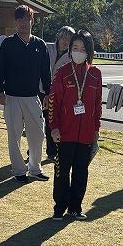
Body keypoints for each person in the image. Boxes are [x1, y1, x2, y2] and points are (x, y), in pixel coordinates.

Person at [47, 30, 103, 220]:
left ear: (89, 51)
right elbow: (54, 102)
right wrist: (54, 127)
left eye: (82, 48)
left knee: (81, 171)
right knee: (62, 171)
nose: (78, 52)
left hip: (85, 134)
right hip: (64, 132)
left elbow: (97, 105)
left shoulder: (95, 74)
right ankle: (59, 207)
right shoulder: (62, 73)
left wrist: (96, 130)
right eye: (75, 48)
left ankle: (75, 207)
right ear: (70, 50)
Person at [0, 5, 51, 183]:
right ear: (15, 22)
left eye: (26, 20)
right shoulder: (8, 44)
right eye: (19, 21)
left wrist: (48, 93)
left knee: (38, 134)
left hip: (33, 97)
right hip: (11, 97)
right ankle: (18, 169)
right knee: (14, 135)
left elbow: (45, 73)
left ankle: (35, 168)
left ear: (32, 21)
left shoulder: (39, 45)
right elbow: (0, 69)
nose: (23, 24)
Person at [44, 26, 75, 162]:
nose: (65, 42)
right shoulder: (46, 48)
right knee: (38, 122)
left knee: (52, 123)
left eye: (69, 39)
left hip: (58, 93)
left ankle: (51, 151)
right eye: (63, 38)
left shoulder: (71, 56)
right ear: (58, 37)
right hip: (42, 90)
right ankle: (33, 149)